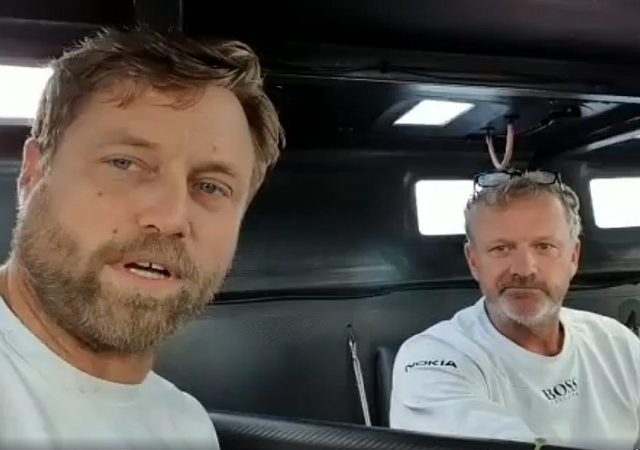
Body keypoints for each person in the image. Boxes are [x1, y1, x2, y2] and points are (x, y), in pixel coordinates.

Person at [0, 27, 283, 449]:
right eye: (125, 163)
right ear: (34, 173)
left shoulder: (188, 428)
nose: (171, 218)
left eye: (210, 187)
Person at [390, 171, 640, 450]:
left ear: (573, 257)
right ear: (473, 261)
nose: (524, 269)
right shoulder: (431, 359)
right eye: (501, 248)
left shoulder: (617, 343)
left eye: (544, 246)